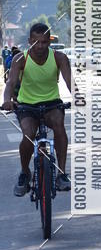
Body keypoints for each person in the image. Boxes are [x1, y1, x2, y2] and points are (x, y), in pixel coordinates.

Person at [1, 23, 72, 195]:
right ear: (29, 41)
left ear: (50, 41)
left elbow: (70, 82)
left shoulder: (59, 58)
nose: (40, 46)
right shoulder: (20, 59)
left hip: (52, 103)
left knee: (59, 127)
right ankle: (25, 172)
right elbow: (10, 83)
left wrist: (78, 96)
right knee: (28, 133)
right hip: (27, 105)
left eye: (44, 42)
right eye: (36, 42)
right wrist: (7, 100)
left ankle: (61, 174)